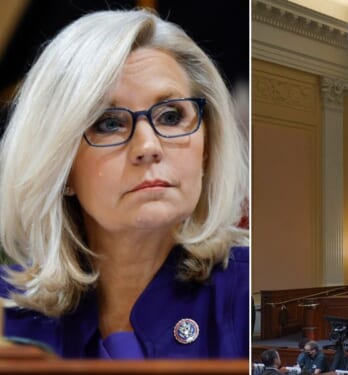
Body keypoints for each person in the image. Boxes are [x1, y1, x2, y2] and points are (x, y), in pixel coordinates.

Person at [0, 10, 248, 359]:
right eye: (108, 123)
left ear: (207, 149)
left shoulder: (247, 289)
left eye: (172, 116)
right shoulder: (7, 309)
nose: (147, 147)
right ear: (60, 166)